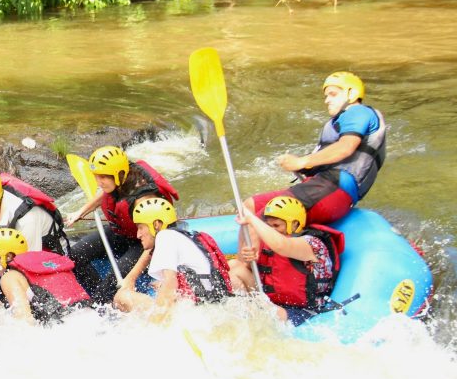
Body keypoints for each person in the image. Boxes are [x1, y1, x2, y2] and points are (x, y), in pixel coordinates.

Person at [245, 71, 387, 225]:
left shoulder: (358, 112)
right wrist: (302, 166)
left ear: (351, 94)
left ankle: (257, 248)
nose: (327, 100)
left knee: (266, 218)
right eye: (326, 96)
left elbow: (345, 148)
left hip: (335, 188)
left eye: (333, 94)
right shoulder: (339, 121)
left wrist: (302, 162)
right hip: (321, 186)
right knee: (249, 206)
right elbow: (328, 158)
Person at [64, 145, 179, 305]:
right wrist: (81, 211)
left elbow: (153, 243)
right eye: (96, 176)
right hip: (121, 232)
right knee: (75, 255)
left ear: (119, 174)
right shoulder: (120, 178)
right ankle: (97, 294)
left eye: (103, 177)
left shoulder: (143, 200)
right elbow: (108, 192)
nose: (98, 182)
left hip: (143, 243)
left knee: (112, 278)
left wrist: (131, 278)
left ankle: (100, 303)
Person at [0, 165, 68, 299]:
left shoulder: (27, 218)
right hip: (11, 250)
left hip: (45, 258)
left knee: (10, 275)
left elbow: (27, 262)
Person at [229, 196, 344, 326]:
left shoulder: (312, 244)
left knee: (255, 312)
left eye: (276, 225)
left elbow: (282, 246)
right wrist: (250, 260)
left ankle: (245, 317)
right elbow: (253, 270)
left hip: (302, 310)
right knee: (234, 267)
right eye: (269, 225)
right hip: (273, 301)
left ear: (295, 224)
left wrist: (251, 218)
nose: (271, 229)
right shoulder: (270, 240)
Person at [113, 198, 233, 316]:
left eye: (140, 228)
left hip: (197, 312)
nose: (138, 235)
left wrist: (154, 327)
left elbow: (170, 285)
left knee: (121, 297)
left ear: (156, 224)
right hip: (214, 306)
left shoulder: (165, 236)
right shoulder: (184, 237)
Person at [0, 228, 91, 325]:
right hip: (92, 317)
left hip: (65, 327)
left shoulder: (9, 277)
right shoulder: (51, 262)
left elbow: (24, 322)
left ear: (8, 256)